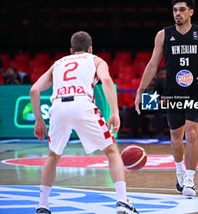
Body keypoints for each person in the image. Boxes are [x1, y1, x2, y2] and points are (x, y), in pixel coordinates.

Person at [30, 31, 138, 214]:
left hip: (57, 107)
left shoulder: (57, 64)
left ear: (71, 50)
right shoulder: (96, 60)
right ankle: (122, 201)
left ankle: (42, 204)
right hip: (82, 103)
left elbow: (34, 90)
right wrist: (114, 112)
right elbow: (106, 80)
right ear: (90, 49)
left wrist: (39, 120)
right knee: (111, 151)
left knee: (53, 156)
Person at [134, 0, 198, 197]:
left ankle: (190, 179)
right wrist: (140, 90)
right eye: (175, 10)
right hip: (172, 92)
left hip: (195, 91)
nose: (178, 13)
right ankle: (180, 171)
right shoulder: (163, 35)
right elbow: (153, 64)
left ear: (191, 12)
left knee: (192, 133)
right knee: (175, 137)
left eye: (182, 10)